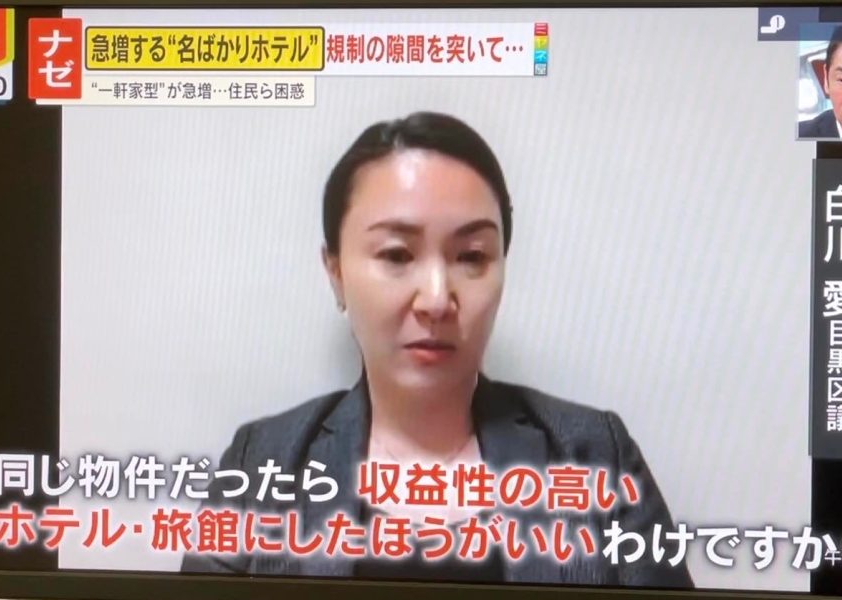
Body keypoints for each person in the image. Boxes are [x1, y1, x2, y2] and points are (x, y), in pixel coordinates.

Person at [181, 112, 693, 588]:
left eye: (471, 256)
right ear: (335, 272)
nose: (436, 299)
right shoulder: (263, 463)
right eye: (396, 254)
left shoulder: (595, 454)